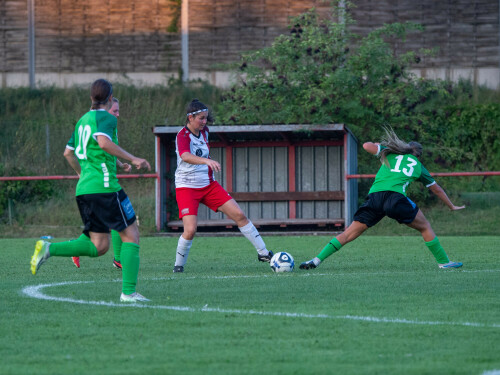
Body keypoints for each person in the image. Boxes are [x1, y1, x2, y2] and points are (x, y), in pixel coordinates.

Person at [30, 79, 151, 302]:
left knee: (99, 246)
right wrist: (133, 158)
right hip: (105, 188)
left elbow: (69, 153)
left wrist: (83, 174)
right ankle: (129, 293)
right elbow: (104, 143)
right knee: (131, 235)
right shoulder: (106, 117)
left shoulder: (82, 121)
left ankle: (47, 248)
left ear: (91, 98)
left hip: (85, 189)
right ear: (110, 98)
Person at [300, 127, 465, 270]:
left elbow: (366, 146)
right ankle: (444, 263)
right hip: (395, 198)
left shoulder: (391, 154)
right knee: (425, 227)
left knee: (348, 234)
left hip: (375, 198)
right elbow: (436, 189)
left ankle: (316, 260)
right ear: (419, 156)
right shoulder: (418, 166)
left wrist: (383, 146)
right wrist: (451, 206)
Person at [172, 99, 273, 273]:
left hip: (208, 185)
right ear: (190, 117)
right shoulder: (182, 135)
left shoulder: (205, 132)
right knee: (190, 230)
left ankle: (263, 253)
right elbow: (185, 155)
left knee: (239, 215)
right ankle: (178, 266)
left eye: (205, 118)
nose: (204, 122)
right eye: (201, 118)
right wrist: (206, 160)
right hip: (186, 187)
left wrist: (206, 163)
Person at [71, 97, 131, 270]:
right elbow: (100, 147)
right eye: (115, 111)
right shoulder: (100, 123)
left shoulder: (93, 123)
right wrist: (132, 159)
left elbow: (105, 150)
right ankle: (119, 260)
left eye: (118, 111)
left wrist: (120, 163)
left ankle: (75, 247)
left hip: (101, 181)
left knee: (103, 224)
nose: (117, 115)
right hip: (102, 182)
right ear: (106, 110)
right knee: (121, 221)